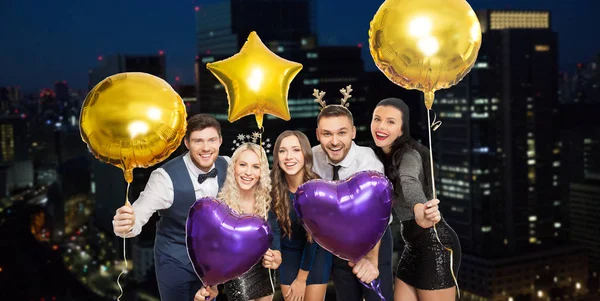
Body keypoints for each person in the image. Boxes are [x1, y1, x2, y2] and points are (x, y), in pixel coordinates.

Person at [112, 114, 227, 301]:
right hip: (175, 260)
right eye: (198, 141)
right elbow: (141, 210)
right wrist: (127, 224)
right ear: (187, 143)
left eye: (212, 140)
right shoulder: (164, 177)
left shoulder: (228, 165)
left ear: (220, 141)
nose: (206, 148)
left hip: (210, 261)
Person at [370, 98, 461, 301]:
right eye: (377, 119)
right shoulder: (380, 158)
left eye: (390, 122)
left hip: (435, 244)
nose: (381, 126)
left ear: (402, 130)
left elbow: (409, 181)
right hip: (412, 247)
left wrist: (419, 209)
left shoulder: (409, 155)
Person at [270, 130, 332, 301]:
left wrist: (301, 278)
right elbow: (274, 230)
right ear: (277, 157)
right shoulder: (272, 187)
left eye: (296, 150)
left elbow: (315, 240)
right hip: (288, 253)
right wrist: (276, 253)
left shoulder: (318, 188)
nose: (289, 156)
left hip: (316, 253)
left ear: (305, 153)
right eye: (283, 151)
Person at [218, 142, 283, 301]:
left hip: (265, 272)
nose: (248, 172)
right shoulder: (220, 205)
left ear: (262, 172)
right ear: (234, 167)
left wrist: (276, 256)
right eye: (243, 165)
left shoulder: (267, 201)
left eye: (255, 166)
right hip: (237, 274)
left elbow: (274, 233)